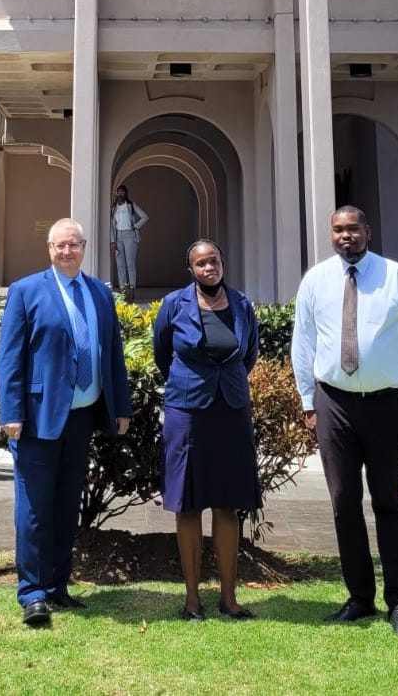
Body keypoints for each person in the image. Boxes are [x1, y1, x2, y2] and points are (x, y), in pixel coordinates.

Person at [290, 206, 398, 638]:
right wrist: (306, 400)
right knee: (344, 504)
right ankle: (359, 598)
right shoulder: (316, 280)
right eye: (338, 230)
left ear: (368, 232)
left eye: (353, 229)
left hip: (384, 404)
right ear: (330, 235)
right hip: (332, 404)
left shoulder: (397, 278)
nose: (345, 236)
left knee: (388, 503)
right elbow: (303, 342)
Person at [0, 218, 133, 627]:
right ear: (49, 249)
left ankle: (58, 585)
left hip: (82, 418)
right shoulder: (26, 291)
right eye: (59, 246)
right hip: (37, 420)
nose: (66, 252)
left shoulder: (99, 294)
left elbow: (112, 353)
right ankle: (32, 593)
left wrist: (120, 407)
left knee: (65, 506)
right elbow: (10, 357)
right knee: (34, 509)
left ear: (85, 246)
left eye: (73, 245)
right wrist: (11, 413)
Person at [153, 239, 261, 621]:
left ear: (222, 263)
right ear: (191, 270)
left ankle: (229, 599)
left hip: (230, 409)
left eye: (213, 260)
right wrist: (192, 382)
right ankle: (192, 600)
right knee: (188, 502)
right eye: (200, 264)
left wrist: (224, 384)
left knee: (228, 503)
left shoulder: (243, 304)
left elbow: (249, 355)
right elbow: (162, 354)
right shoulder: (173, 305)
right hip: (187, 410)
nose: (208, 268)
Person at [108, 185, 149, 302]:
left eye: (122, 192)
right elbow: (112, 226)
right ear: (116, 194)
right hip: (118, 237)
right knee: (120, 266)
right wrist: (112, 241)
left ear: (125, 194)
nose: (120, 194)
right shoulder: (113, 208)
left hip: (130, 236)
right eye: (118, 192)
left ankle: (131, 291)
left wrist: (135, 226)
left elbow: (145, 217)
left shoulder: (131, 206)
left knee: (130, 265)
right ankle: (123, 292)